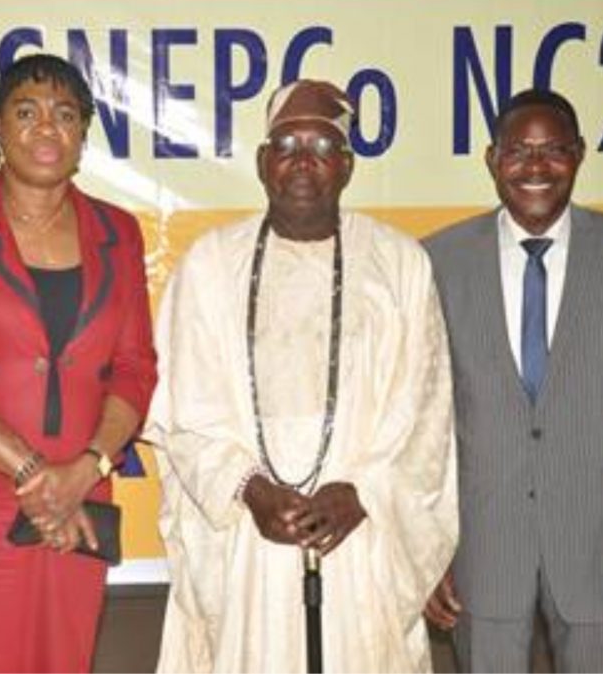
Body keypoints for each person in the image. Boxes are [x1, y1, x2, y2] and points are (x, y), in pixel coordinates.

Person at [147, 79, 458, 672]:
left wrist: (361, 491)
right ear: (264, 163)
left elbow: (427, 411)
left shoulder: (398, 264)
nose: (303, 160)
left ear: (346, 165)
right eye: (287, 143)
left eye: (321, 145)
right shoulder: (211, 265)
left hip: (360, 534)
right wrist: (251, 489)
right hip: (246, 537)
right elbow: (184, 411)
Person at [423, 88, 603, 672]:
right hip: (482, 550)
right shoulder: (439, 261)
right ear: (492, 160)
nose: (536, 167)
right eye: (518, 151)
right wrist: (425, 551)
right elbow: (423, 427)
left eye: (554, 150)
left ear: (578, 155)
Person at [0, 53, 157, 672]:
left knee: (64, 657)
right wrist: (38, 473)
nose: (48, 128)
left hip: (81, 491)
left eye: (66, 114)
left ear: (83, 135)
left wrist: (87, 466)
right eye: (27, 111)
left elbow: (135, 367)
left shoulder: (118, 231)